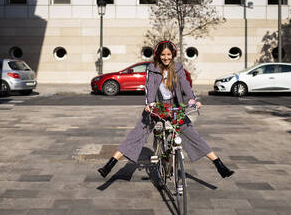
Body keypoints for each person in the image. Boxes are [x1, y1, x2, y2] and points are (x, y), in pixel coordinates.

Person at [98, 40, 234, 179]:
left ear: (173, 54)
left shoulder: (178, 68)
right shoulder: (152, 69)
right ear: (158, 55)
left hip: (175, 107)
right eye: (163, 55)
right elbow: (150, 88)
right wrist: (149, 104)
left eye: (169, 54)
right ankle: (110, 164)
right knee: (137, 133)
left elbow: (186, 86)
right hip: (156, 106)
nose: (166, 58)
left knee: (192, 133)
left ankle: (219, 165)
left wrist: (193, 100)